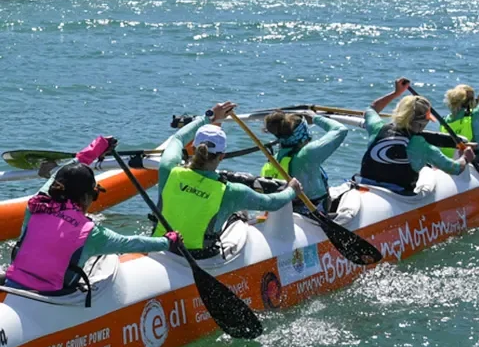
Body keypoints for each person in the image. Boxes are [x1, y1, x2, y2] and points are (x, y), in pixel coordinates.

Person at [2, 137, 179, 297]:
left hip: (13, 284)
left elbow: (64, 171)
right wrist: (167, 242)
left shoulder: (36, 205)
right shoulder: (90, 233)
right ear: (86, 198)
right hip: (54, 295)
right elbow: (130, 243)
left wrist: (97, 146)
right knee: (104, 260)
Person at [153, 102, 303, 255]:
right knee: (239, 217)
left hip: (159, 247)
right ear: (222, 156)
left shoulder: (168, 169)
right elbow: (272, 203)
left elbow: (177, 138)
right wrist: (292, 190)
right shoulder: (231, 191)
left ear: (193, 148)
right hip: (199, 257)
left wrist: (209, 116)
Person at [357, 79, 474, 194]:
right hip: (398, 195)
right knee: (428, 170)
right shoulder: (421, 145)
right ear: (420, 122)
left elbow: (371, 109)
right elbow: (454, 168)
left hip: (364, 184)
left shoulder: (377, 128)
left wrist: (396, 93)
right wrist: (465, 157)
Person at [262, 111, 347, 211]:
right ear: (304, 132)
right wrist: (315, 118)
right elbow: (341, 129)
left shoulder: (274, 158)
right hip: (314, 211)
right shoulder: (308, 153)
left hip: (288, 209)